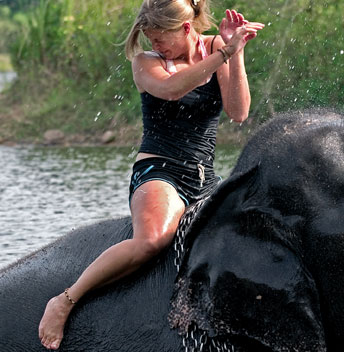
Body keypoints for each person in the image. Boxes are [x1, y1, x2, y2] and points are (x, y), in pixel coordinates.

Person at [38, 0, 264, 349]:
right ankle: (66, 299)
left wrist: (236, 53)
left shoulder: (216, 47)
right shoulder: (145, 63)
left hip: (205, 178)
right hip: (159, 170)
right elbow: (174, 90)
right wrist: (223, 54)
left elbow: (239, 112)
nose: (155, 46)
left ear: (186, 28)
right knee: (153, 239)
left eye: (160, 39)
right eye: (150, 38)